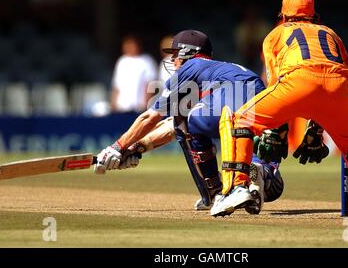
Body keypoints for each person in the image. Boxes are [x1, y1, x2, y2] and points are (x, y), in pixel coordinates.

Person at [212, 0, 348, 219]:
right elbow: (333, 75)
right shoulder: (331, 33)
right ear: (314, 15)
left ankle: (236, 188)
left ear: (283, 15)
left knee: (239, 121)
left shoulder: (276, 34)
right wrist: (317, 129)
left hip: (297, 82)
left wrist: (278, 130)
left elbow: (274, 82)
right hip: (339, 88)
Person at [94, 29, 285, 213]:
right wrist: (136, 147)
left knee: (182, 121)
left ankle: (214, 191)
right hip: (264, 103)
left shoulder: (190, 68)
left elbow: (152, 118)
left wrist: (117, 147)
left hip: (231, 100)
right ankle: (262, 171)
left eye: (176, 54)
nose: (173, 60)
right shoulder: (219, 70)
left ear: (188, 52)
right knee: (272, 188)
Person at [110, 35, 157, 113]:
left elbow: (150, 84)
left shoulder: (147, 61)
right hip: (122, 107)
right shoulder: (122, 61)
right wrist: (113, 103)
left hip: (139, 108)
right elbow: (117, 85)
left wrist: (147, 104)